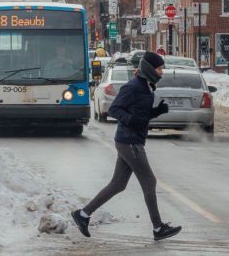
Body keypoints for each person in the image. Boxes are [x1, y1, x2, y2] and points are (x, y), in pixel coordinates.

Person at [72, 51, 181, 241]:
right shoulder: (132, 87)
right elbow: (114, 109)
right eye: (159, 68)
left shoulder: (146, 87)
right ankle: (158, 228)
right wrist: (131, 120)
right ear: (149, 68)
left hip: (130, 140)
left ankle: (82, 215)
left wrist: (156, 112)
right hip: (130, 142)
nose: (161, 72)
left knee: (118, 184)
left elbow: (140, 115)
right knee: (149, 182)